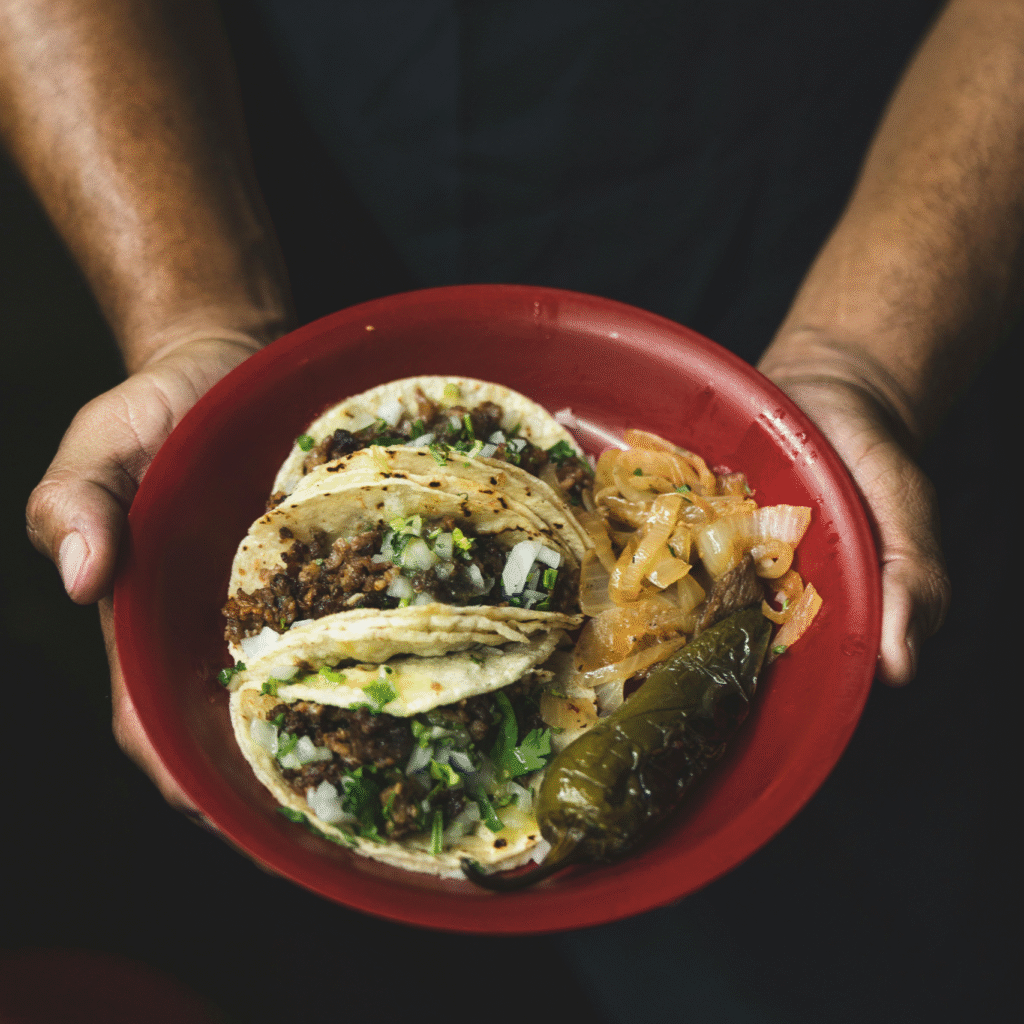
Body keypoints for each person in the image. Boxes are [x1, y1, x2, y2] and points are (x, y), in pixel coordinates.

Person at [1, 0, 1017, 1016]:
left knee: (866, 928)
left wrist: (862, 360)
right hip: (317, 163)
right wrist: (198, 313)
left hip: (833, 176)